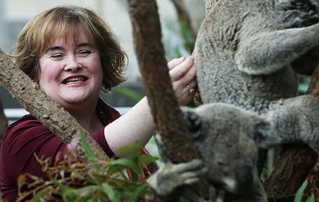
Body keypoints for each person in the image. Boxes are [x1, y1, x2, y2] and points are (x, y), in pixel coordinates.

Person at [0, 5, 197, 201]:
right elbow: (88, 161)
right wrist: (159, 101)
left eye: (84, 51)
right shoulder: (22, 139)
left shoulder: (113, 121)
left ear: (103, 61)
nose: (73, 64)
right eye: (57, 55)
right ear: (34, 71)